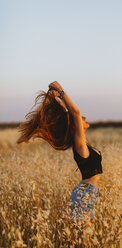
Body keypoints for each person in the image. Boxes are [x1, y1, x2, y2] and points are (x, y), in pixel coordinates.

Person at [17, 81, 103, 222]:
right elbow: (76, 112)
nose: (85, 117)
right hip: (84, 193)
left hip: (90, 192)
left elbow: (76, 115)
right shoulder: (79, 145)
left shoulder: (83, 145)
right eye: (81, 119)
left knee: (86, 240)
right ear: (75, 126)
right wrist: (61, 91)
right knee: (81, 242)